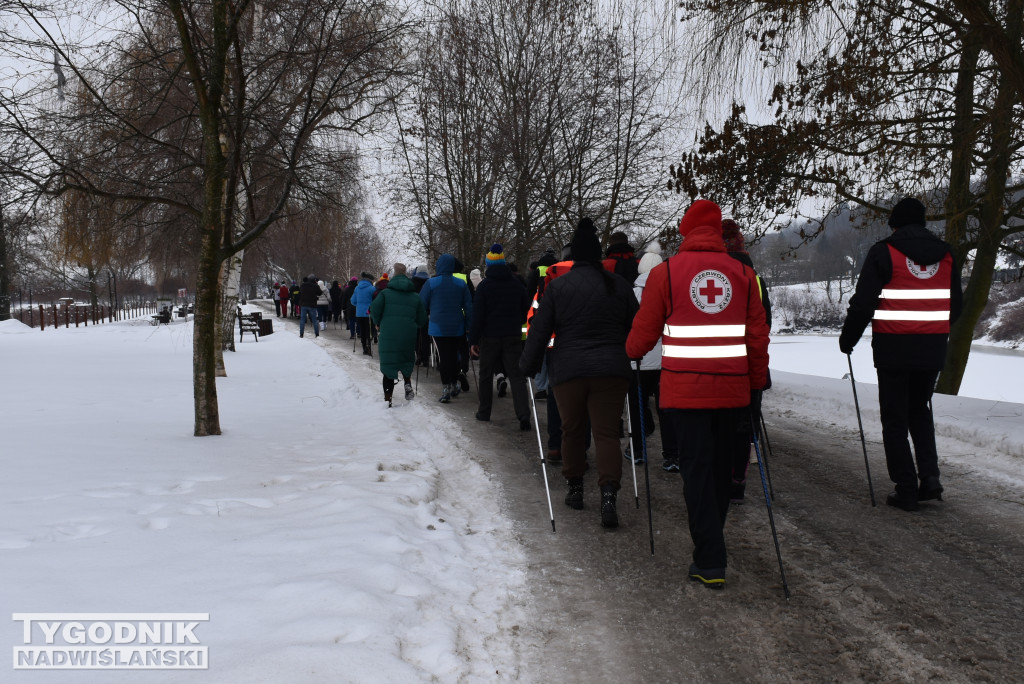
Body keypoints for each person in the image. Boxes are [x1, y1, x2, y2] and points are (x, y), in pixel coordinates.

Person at [626, 200, 769, 589]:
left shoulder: (666, 274)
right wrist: (756, 381)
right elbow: (757, 335)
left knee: (697, 472)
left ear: (685, 232)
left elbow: (644, 333)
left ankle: (709, 556)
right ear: (718, 232)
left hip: (685, 395)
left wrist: (631, 352)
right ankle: (712, 544)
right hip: (732, 391)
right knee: (722, 470)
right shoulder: (743, 273)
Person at [839, 197, 962, 512]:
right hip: (932, 348)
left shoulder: (884, 252)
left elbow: (864, 302)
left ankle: (906, 488)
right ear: (922, 223)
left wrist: (848, 338)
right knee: (919, 410)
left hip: (893, 348)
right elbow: (956, 307)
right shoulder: (947, 254)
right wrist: (932, 330)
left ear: (895, 223)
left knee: (895, 418)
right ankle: (930, 478)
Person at [521, 218, 639, 529]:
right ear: (598, 255)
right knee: (607, 433)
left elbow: (539, 330)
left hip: (569, 369)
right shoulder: (620, 286)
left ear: (572, 256)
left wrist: (528, 364)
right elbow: (635, 326)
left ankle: (575, 488)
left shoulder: (558, 287)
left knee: (572, 430)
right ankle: (609, 494)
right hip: (612, 370)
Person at [722, 219, 773, 503]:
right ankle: (737, 481)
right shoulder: (755, 278)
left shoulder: (709, 275)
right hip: (748, 363)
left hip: (717, 365)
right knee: (743, 426)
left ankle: (717, 476)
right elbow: (765, 324)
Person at [468, 244, 532, 430]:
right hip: (512, 335)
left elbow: (477, 315)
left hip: (489, 337)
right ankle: (523, 415)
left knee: (486, 375)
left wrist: (473, 340)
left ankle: (484, 412)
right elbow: (525, 309)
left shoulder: (484, 286)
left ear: (488, 265)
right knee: (517, 376)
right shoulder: (516, 284)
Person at [628, 244, 680, 472]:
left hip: (638, 360)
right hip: (666, 360)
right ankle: (672, 454)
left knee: (636, 406)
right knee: (666, 409)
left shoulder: (632, 293)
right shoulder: (672, 290)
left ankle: (637, 449)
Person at [370, 263, 427, 406]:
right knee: (406, 360)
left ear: (394, 276)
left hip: (388, 334)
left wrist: (378, 323)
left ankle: (388, 398)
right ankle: (407, 382)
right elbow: (422, 319)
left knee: (389, 366)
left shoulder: (384, 294)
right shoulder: (415, 296)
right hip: (408, 335)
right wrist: (415, 325)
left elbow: (374, 310)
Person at [419, 254, 473, 402]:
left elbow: (421, 304)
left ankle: (446, 387)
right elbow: (469, 307)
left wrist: (422, 319)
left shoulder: (431, 283)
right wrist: (469, 326)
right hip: (457, 327)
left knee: (443, 357)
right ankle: (454, 383)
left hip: (437, 327)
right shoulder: (461, 284)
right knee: (455, 356)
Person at [351, 272, 376, 355]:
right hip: (369, 313)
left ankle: (364, 347)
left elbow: (353, 301)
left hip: (359, 313)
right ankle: (369, 346)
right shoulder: (372, 289)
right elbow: (375, 301)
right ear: (370, 280)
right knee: (369, 331)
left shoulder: (357, 288)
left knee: (362, 330)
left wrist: (359, 305)